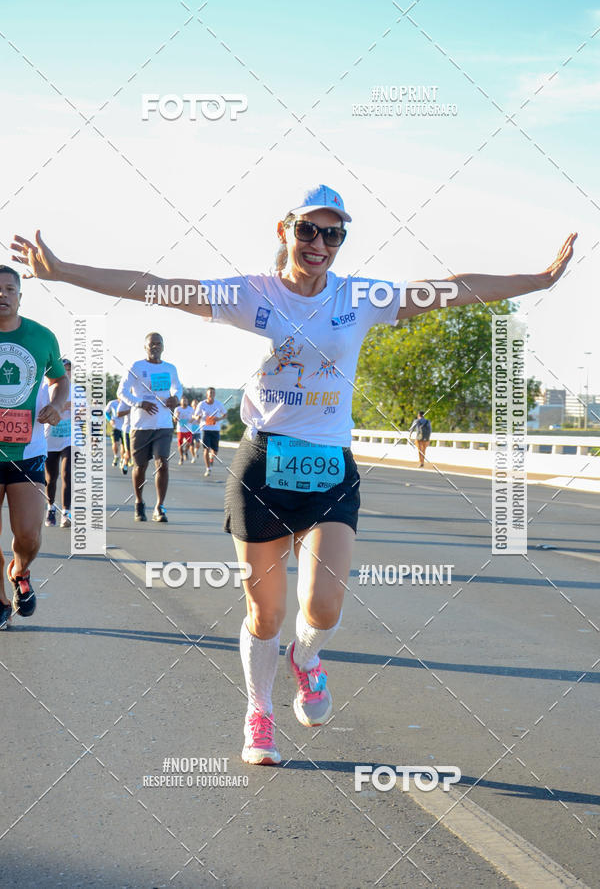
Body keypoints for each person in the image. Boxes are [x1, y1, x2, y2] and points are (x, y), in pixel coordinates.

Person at [11, 186, 576, 760]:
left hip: (330, 466)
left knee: (324, 607)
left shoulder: (363, 297)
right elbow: (154, 287)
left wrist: (537, 280)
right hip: (264, 465)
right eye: (309, 230)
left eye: (334, 234)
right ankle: (259, 712)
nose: (320, 243)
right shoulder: (248, 293)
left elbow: (456, 290)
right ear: (285, 230)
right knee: (266, 611)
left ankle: (305, 659)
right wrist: (63, 272)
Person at [0, 264, 69, 629]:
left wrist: (56, 406)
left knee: (28, 535)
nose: (2, 295)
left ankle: (19, 572)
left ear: (19, 296)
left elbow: (60, 380)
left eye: (9, 289)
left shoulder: (41, 337)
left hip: (26, 451)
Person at [116, 333, 182, 523]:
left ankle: (159, 506)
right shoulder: (136, 367)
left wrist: (175, 398)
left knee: (162, 462)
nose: (155, 347)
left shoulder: (170, 368)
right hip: (140, 426)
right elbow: (121, 391)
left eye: (158, 344)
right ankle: (139, 502)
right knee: (140, 466)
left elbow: (178, 387)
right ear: (145, 347)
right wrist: (139, 403)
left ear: (163, 347)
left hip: (163, 424)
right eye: (151, 344)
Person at [43, 358, 73, 527]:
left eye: (69, 369)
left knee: (67, 474)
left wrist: (77, 408)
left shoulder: (77, 390)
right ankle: (50, 508)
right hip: (50, 440)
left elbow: (85, 413)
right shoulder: (46, 389)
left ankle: (66, 513)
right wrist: (59, 405)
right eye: (63, 369)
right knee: (51, 477)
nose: (66, 372)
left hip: (69, 439)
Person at [196, 388, 227, 477]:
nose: (211, 395)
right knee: (206, 449)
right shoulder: (201, 404)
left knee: (215, 451)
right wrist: (197, 417)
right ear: (207, 395)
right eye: (210, 393)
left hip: (215, 430)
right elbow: (195, 415)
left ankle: (211, 458)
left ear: (215, 394)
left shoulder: (218, 404)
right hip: (205, 429)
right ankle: (208, 469)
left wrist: (219, 418)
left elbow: (225, 414)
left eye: (213, 393)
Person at [105, 397, 125, 468]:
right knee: (115, 443)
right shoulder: (112, 403)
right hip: (115, 426)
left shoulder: (127, 403)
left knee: (123, 445)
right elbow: (106, 412)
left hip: (125, 427)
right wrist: (110, 419)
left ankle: (122, 459)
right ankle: (116, 456)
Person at [174, 396, 194, 465]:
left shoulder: (191, 409)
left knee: (189, 443)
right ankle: (181, 457)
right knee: (180, 445)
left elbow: (193, 417)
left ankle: (185, 451)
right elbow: (174, 420)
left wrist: (192, 420)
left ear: (187, 402)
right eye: (183, 401)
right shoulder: (177, 409)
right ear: (180, 402)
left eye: (185, 401)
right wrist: (176, 416)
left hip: (188, 429)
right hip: (180, 429)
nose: (184, 402)